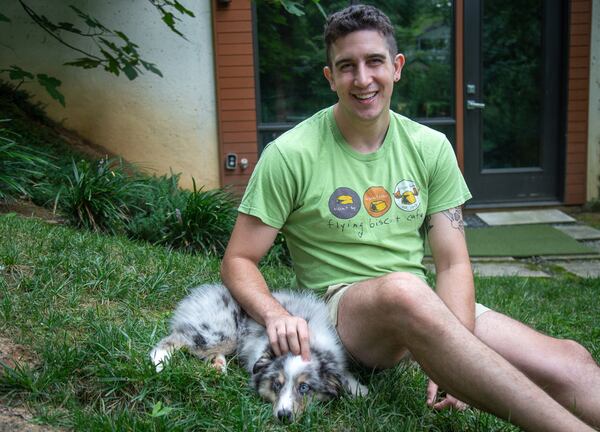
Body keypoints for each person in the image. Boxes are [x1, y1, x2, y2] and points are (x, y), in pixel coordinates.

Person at [221, 4, 600, 430]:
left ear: (396, 67)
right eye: (346, 66)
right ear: (330, 77)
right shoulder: (290, 154)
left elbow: (452, 262)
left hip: (423, 306)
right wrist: (275, 314)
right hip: (345, 311)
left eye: (374, 62)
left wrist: (454, 358)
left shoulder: (430, 146)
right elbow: (238, 259)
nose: (362, 79)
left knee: (571, 359)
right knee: (404, 290)